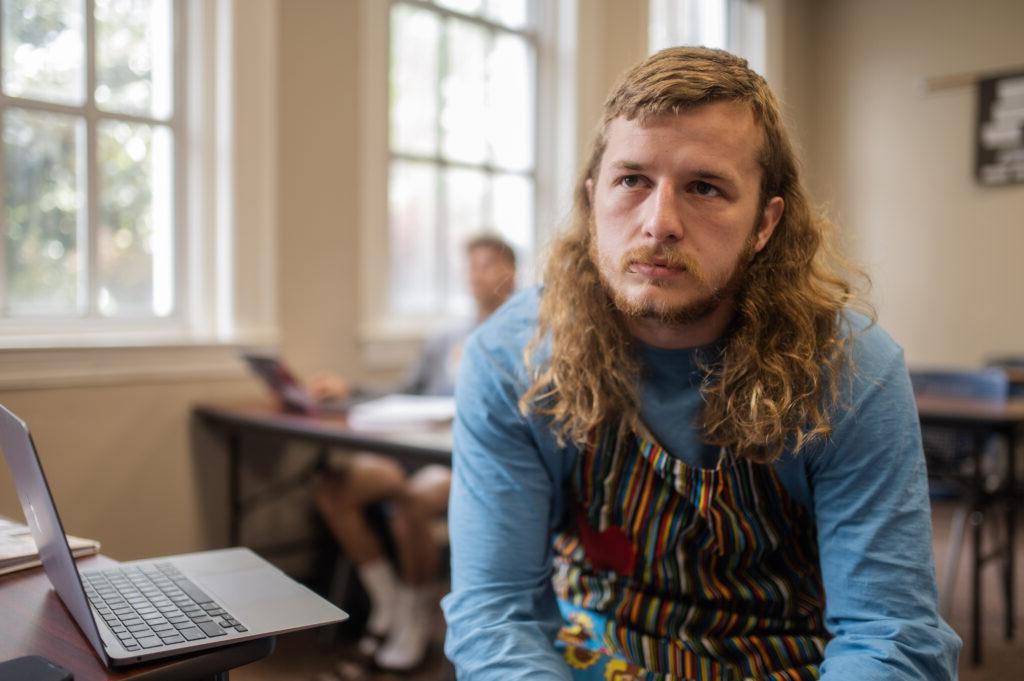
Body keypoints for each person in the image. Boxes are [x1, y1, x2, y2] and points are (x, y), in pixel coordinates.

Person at [442, 47, 960, 680]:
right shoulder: (513, 359)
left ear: (765, 223)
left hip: (790, 658)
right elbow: (498, 614)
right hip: (593, 654)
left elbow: (889, 633)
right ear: (592, 198)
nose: (659, 223)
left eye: (705, 188)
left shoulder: (850, 372)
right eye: (632, 180)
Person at [311, 234, 517, 674]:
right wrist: (351, 391)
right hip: (412, 448)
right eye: (470, 266)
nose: (476, 275)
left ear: (509, 271)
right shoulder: (446, 336)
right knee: (336, 488)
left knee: (411, 501)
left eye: (486, 265)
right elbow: (403, 394)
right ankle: (387, 602)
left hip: (466, 460)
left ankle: (416, 612)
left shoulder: (525, 331)